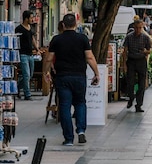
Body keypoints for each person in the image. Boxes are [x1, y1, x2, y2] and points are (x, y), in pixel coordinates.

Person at [42, 13, 100, 145]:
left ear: (63, 25)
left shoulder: (56, 39)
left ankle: (68, 138)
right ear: (76, 24)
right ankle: (81, 131)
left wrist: (46, 72)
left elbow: (49, 58)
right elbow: (89, 57)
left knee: (65, 106)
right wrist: (96, 73)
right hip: (79, 76)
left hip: (62, 77)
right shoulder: (82, 39)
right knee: (80, 103)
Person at [122, 19, 151, 112]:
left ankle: (139, 104)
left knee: (141, 84)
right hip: (131, 61)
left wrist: (145, 51)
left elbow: (149, 50)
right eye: (137, 28)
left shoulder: (145, 37)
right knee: (130, 82)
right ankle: (131, 98)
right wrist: (124, 65)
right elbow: (125, 51)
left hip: (141, 61)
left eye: (140, 28)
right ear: (134, 28)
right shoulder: (129, 37)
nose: (138, 30)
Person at [16, 10, 40, 100]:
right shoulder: (19, 29)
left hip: (30, 54)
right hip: (22, 54)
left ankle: (18, 87)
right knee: (26, 75)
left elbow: (32, 38)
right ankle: (27, 94)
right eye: (31, 17)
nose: (32, 19)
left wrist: (37, 48)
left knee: (30, 75)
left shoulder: (30, 27)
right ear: (26, 19)